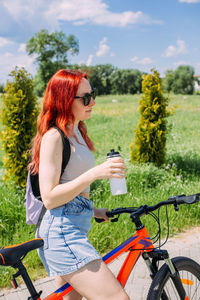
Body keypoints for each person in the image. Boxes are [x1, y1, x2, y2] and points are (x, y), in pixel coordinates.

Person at [30, 69, 129, 300]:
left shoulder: (77, 132)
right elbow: (50, 197)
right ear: (65, 100)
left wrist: (93, 211)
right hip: (61, 233)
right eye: (85, 97)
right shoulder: (54, 137)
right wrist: (95, 173)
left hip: (73, 226)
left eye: (92, 94)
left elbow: (69, 189)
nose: (92, 101)